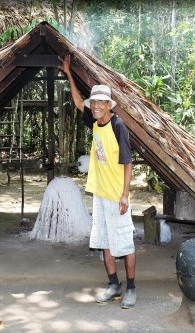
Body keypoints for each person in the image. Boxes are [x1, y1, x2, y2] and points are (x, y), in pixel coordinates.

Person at [59, 55, 137, 309]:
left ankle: (132, 288)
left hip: (116, 196)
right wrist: (69, 74)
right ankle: (113, 284)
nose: (94, 106)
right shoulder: (95, 121)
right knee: (104, 242)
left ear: (107, 104)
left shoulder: (118, 126)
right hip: (100, 194)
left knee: (124, 244)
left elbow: (128, 162)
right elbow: (78, 102)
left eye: (99, 103)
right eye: (93, 103)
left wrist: (125, 195)